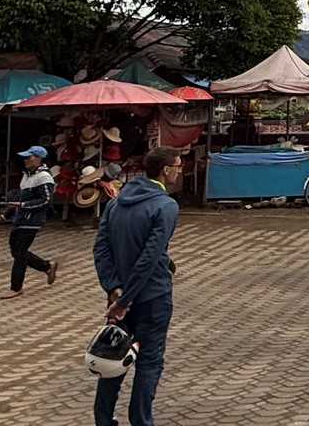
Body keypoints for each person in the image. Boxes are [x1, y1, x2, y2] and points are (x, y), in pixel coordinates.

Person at [93, 147, 182, 426]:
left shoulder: (116, 203)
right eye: (178, 166)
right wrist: (124, 299)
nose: (179, 171)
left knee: (113, 358)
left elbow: (101, 249)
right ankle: (141, 421)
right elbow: (149, 258)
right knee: (149, 362)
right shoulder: (165, 206)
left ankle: (103, 419)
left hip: (119, 298)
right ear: (166, 170)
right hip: (152, 297)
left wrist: (114, 289)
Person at [1, 145, 57, 299]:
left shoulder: (44, 177)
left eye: (29, 157)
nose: (25, 160)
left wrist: (24, 205)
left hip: (32, 221)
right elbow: (19, 200)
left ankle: (16, 287)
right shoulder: (26, 176)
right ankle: (47, 266)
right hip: (20, 219)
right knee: (16, 251)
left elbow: (46, 201)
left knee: (19, 252)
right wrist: (4, 216)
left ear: (39, 158)